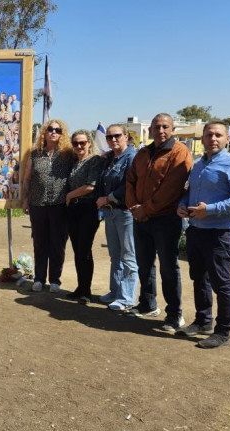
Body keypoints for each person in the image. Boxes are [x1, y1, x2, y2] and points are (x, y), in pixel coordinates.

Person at [176, 121, 230, 348]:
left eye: (218, 135)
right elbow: (189, 192)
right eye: (209, 134)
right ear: (202, 138)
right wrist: (182, 205)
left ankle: (223, 331)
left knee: (222, 283)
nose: (213, 139)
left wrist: (208, 210)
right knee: (199, 279)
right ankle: (203, 321)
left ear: (227, 138)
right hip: (196, 231)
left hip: (220, 234)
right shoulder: (198, 165)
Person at [126, 113, 193, 331]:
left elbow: (172, 188)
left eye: (165, 126)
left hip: (166, 218)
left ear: (172, 129)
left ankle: (174, 314)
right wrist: (134, 207)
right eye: (156, 127)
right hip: (141, 218)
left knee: (168, 268)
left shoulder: (179, 152)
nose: (161, 130)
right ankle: (147, 304)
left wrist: (145, 209)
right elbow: (130, 180)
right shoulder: (143, 153)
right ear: (150, 130)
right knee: (144, 264)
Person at [22, 120, 73, 293]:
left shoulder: (68, 154)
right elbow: (27, 178)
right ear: (44, 132)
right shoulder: (35, 154)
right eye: (50, 129)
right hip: (38, 204)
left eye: (58, 130)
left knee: (57, 244)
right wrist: (25, 199)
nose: (53, 132)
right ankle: (39, 279)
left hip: (60, 206)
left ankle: (55, 280)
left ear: (62, 134)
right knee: (40, 242)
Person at [96, 124, 138, 312]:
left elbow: (131, 184)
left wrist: (108, 198)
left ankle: (127, 297)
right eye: (109, 137)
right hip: (111, 212)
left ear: (126, 136)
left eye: (117, 136)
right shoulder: (111, 158)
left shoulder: (132, 157)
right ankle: (116, 292)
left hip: (126, 212)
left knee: (128, 257)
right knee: (115, 256)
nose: (113, 139)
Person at [64, 130, 105, 304]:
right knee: (77, 250)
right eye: (75, 143)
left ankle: (86, 291)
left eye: (82, 143)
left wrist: (70, 195)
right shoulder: (74, 163)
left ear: (89, 142)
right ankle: (80, 287)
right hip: (74, 209)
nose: (79, 146)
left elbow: (91, 186)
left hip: (88, 208)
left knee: (84, 250)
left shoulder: (94, 161)